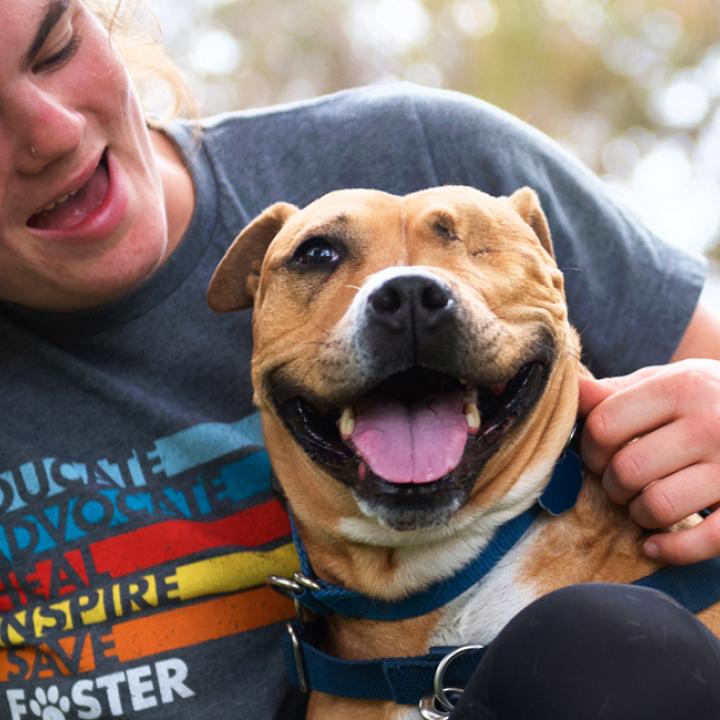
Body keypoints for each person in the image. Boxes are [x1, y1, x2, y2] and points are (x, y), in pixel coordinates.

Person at [1, 1, 719, 719]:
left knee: (620, 653)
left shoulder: (429, 146)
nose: (51, 133)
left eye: (56, 48)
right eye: (319, 257)